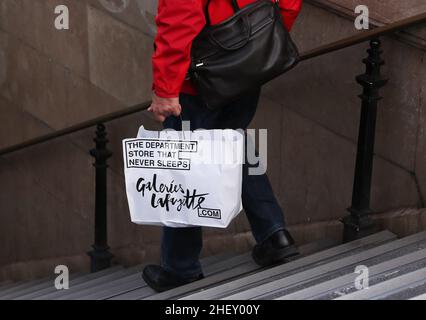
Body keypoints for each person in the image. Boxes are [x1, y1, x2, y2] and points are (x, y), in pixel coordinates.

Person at [143, 0, 303, 292]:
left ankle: (181, 268)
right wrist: (261, 44)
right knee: (233, 139)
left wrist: (166, 90)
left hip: (200, 81)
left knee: (185, 166)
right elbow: (289, 4)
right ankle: (274, 235)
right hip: (249, 65)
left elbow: (179, 23)